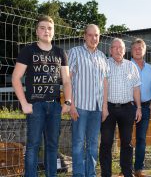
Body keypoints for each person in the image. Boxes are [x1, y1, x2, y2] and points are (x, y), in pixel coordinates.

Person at [12, 15, 72, 177]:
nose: (46, 31)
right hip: (35, 105)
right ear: (37, 32)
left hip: (54, 106)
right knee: (33, 146)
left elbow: (66, 80)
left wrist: (68, 101)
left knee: (52, 146)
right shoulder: (28, 51)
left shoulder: (60, 53)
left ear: (54, 32)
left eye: (50, 28)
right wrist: (24, 103)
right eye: (43, 28)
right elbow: (16, 78)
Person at [68, 24, 109, 177]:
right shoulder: (74, 52)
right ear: (84, 36)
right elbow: (68, 80)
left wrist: (105, 107)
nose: (94, 38)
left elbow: (105, 83)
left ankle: (90, 174)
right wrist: (70, 104)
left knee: (93, 144)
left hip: (97, 108)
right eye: (90, 35)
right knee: (78, 143)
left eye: (96, 35)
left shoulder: (102, 56)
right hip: (80, 106)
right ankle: (78, 174)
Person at [99, 38, 142, 177]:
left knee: (127, 143)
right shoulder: (104, 64)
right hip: (108, 108)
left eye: (121, 48)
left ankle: (127, 173)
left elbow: (136, 89)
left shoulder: (131, 66)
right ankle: (106, 174)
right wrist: (103, 107)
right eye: (115, 47)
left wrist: (139, 108)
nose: (118, 50)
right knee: (106, 142)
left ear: (124, 50)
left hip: (127, 109)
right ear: (110, 50)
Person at [131, 38, 151, 177]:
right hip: (128, 107)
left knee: (141, 139)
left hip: (145, 108)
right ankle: (126, 168)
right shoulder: (127, 65)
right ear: (131, 51)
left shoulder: (150, 68)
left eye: (140, 48)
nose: (138, 50)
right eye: (135, 48)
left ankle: (138, 169)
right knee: (126, 138)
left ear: (144, 50)